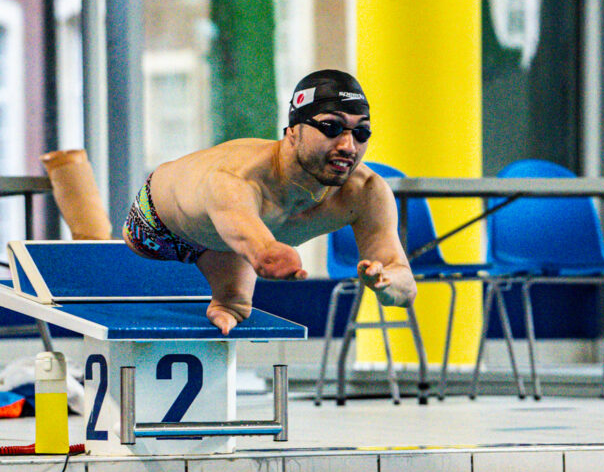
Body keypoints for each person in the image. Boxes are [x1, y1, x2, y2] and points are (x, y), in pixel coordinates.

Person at [121, 69, 416, 334]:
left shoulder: (366, 191)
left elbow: (406, 284)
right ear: (292, 132)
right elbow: (256, 245)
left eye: (361, 133)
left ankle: (228, 304)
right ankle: (229, 295)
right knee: (240, 241)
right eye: (331, 128)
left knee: (236, 306)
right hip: (155, 226)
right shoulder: (238, 178)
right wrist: (268, 253)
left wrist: (387, 285)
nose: (348, 146)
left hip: (225, 244)